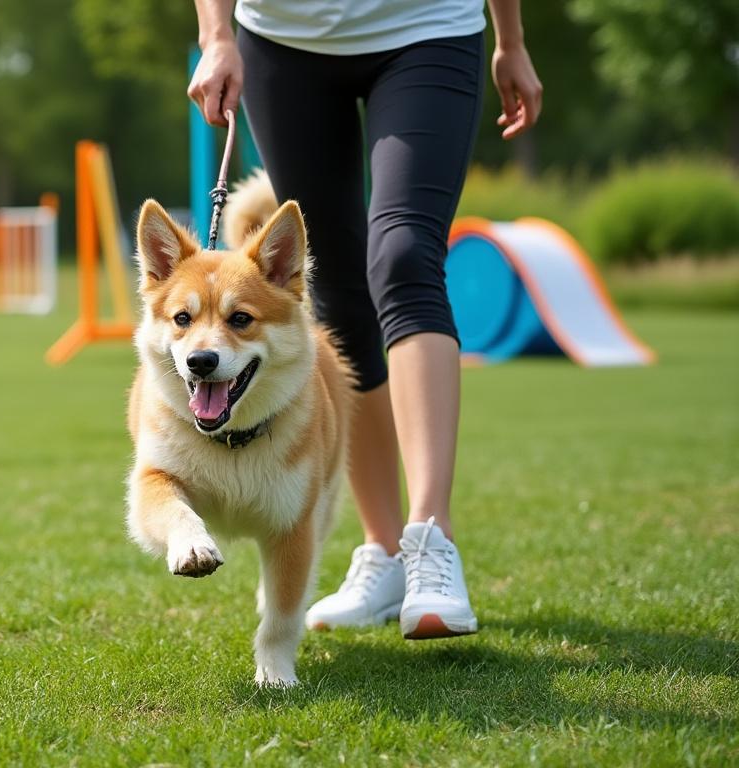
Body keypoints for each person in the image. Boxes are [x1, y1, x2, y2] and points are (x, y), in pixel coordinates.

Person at [188, 0, 542, 638]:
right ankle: (384, 551)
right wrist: (216, 35)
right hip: (284, 40)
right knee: (336, 293)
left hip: (427, 28)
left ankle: (430, 539)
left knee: (404, 254)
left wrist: (510, 39)